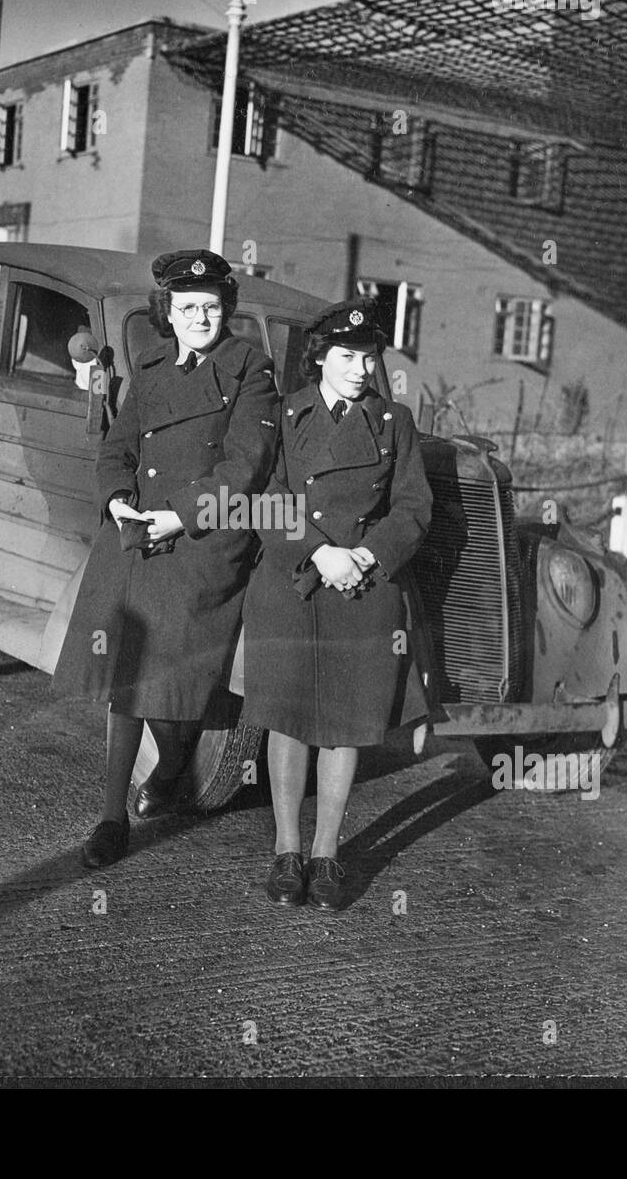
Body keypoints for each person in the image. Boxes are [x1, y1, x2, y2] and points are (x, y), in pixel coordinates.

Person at [54, 250, 279, 868]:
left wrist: (180, 514)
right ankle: (110, 816)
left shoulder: (249, 370)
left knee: (176, 674)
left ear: (225, 312)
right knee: (128, 673)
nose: (200, 318)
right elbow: (117, 450)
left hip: (203, 537)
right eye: (188, 308)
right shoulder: (149, 371)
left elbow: (246, 464)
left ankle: (173, 765)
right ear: (169, 315)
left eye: (211, 307)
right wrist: (120, 504)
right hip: (138, 532)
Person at [241, 299, 433, 911]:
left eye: (368, 356)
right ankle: (286, 852)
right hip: (293, 581)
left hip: (363, 587)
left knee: (347, 721)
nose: (359, 368)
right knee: (289, 716)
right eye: (346, 356)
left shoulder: (393, 420)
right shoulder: (283, 415)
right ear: (319, 358)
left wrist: (366, 557)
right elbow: (262, 497)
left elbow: (412, 509)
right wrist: (319, 552)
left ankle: (326, 856)